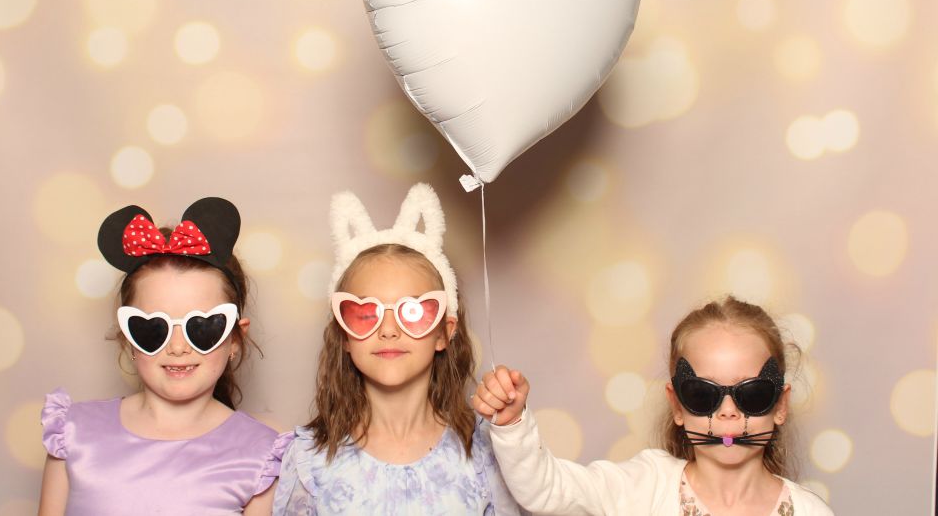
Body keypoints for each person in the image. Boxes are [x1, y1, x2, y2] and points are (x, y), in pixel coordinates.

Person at [272, 183, 521, 515]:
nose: (388, 330)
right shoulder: (309, 458)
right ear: (344, 335)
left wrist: (515, 426)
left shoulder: (484, 451)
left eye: (413, 312)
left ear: (444, 333)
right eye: (365, 313)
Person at [38, 197, 289, 516]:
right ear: (128, 338)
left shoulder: (263, 456)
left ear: (235, 339)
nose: (178, 347)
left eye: (202, 327)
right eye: (154, 328)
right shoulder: (73, 433)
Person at [473, 295, 834, 515]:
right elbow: (546, 491)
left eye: (752, 394)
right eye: (703, 395)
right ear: (677, 405)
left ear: (780, 405)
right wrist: (512, 423)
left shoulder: (810, 512)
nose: (728, 412)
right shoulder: (645, 486)